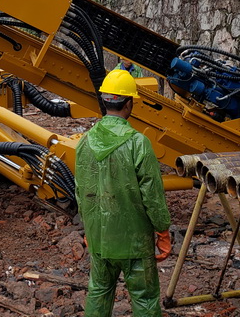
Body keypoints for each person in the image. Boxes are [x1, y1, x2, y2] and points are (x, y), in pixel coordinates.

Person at [75, 69, 171, 317]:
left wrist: (89, 228)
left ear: (105, 101)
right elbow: (152, 193)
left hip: (99, 238)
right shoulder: (138, 143)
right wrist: (162, 229)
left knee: (98, 290)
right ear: (129, 104)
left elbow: (81, 190)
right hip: (134, 241)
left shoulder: (84, 141)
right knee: (145, 297)